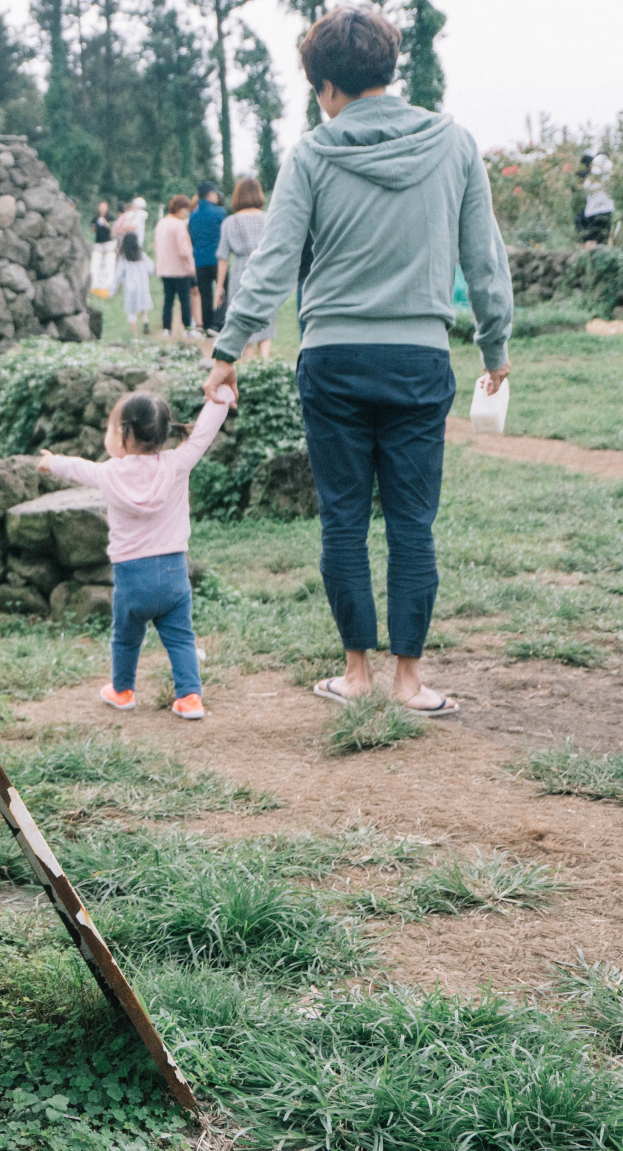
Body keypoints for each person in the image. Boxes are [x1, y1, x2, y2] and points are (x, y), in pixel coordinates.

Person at [206, 4, 513, 717]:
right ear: (389, 69)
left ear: (324, 86)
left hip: (333, 360)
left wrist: (228, 348)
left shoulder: (313, 153)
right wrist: (493, 345)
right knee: (412, 521)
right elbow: (484, 259)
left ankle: (355, 674)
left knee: (342, 518)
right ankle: (410, 681)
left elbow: (275, 262)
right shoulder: (454, 142)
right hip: (418, 358)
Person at [39, 384, 236, 721]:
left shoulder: (108, 473)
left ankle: (122, 690)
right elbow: (203, 434)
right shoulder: (177, 464)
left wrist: (51, 462)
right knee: (181, 639)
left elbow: (76, 467)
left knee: (126, 640)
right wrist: (223, 395)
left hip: (131, 579)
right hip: (174, 574)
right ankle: (190, 698)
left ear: (124, 433)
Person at [220, 176, 276, 358]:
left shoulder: (229, 222)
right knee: (266, 318)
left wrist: (219, 286)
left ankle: (249, 364)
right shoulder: (269, 218)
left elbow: (223, 257)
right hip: (264, 271)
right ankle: (265, 363)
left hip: (240, 272)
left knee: (243, 320)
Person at [189, 181, 228, 333]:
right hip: (218, 260)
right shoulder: (220, 213)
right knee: (222, 290)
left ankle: (207, 325)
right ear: (211, 194)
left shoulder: (193, 215)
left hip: (200, 260)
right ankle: (218, 323)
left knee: (205, 294)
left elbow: (192, 236)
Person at [155, 195, 197, 338]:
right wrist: (191, 265)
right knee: (185, 300)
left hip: (164, 268)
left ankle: (167, 329)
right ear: (180, 209)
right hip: (180, 270)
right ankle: (187, 328)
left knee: (168, 300)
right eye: (186, 209)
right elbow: (184, 249)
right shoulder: (179, 225)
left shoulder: (161, 223)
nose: (187, 213)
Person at [114, 232, 155, 335]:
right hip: (143, 285)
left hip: (130, 287)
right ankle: (145, 320)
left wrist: (113, 289)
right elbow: (151, 268)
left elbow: (118, 275)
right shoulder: (142, 255)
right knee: (143, 305)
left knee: (131, 311)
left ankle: (135, 335)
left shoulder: (123, 258)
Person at [578, 152, 615, 246]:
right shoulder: (607, 180)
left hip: (592, 212)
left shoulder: (589, 181)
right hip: (604, 211)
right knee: (605, 239)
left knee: (593, 240)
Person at [91, 201, 118, 298]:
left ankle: (108, 284)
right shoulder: (95, 218)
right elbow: (92, 229)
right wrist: (94, 226)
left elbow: (113, 229)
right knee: (97, 261)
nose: (102, 209)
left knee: (108, 262)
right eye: (101, 207)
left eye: (104, 207)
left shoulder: (110, 217)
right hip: (98, 242)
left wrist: (105, 223)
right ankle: (96, 284)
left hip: (108, 242)